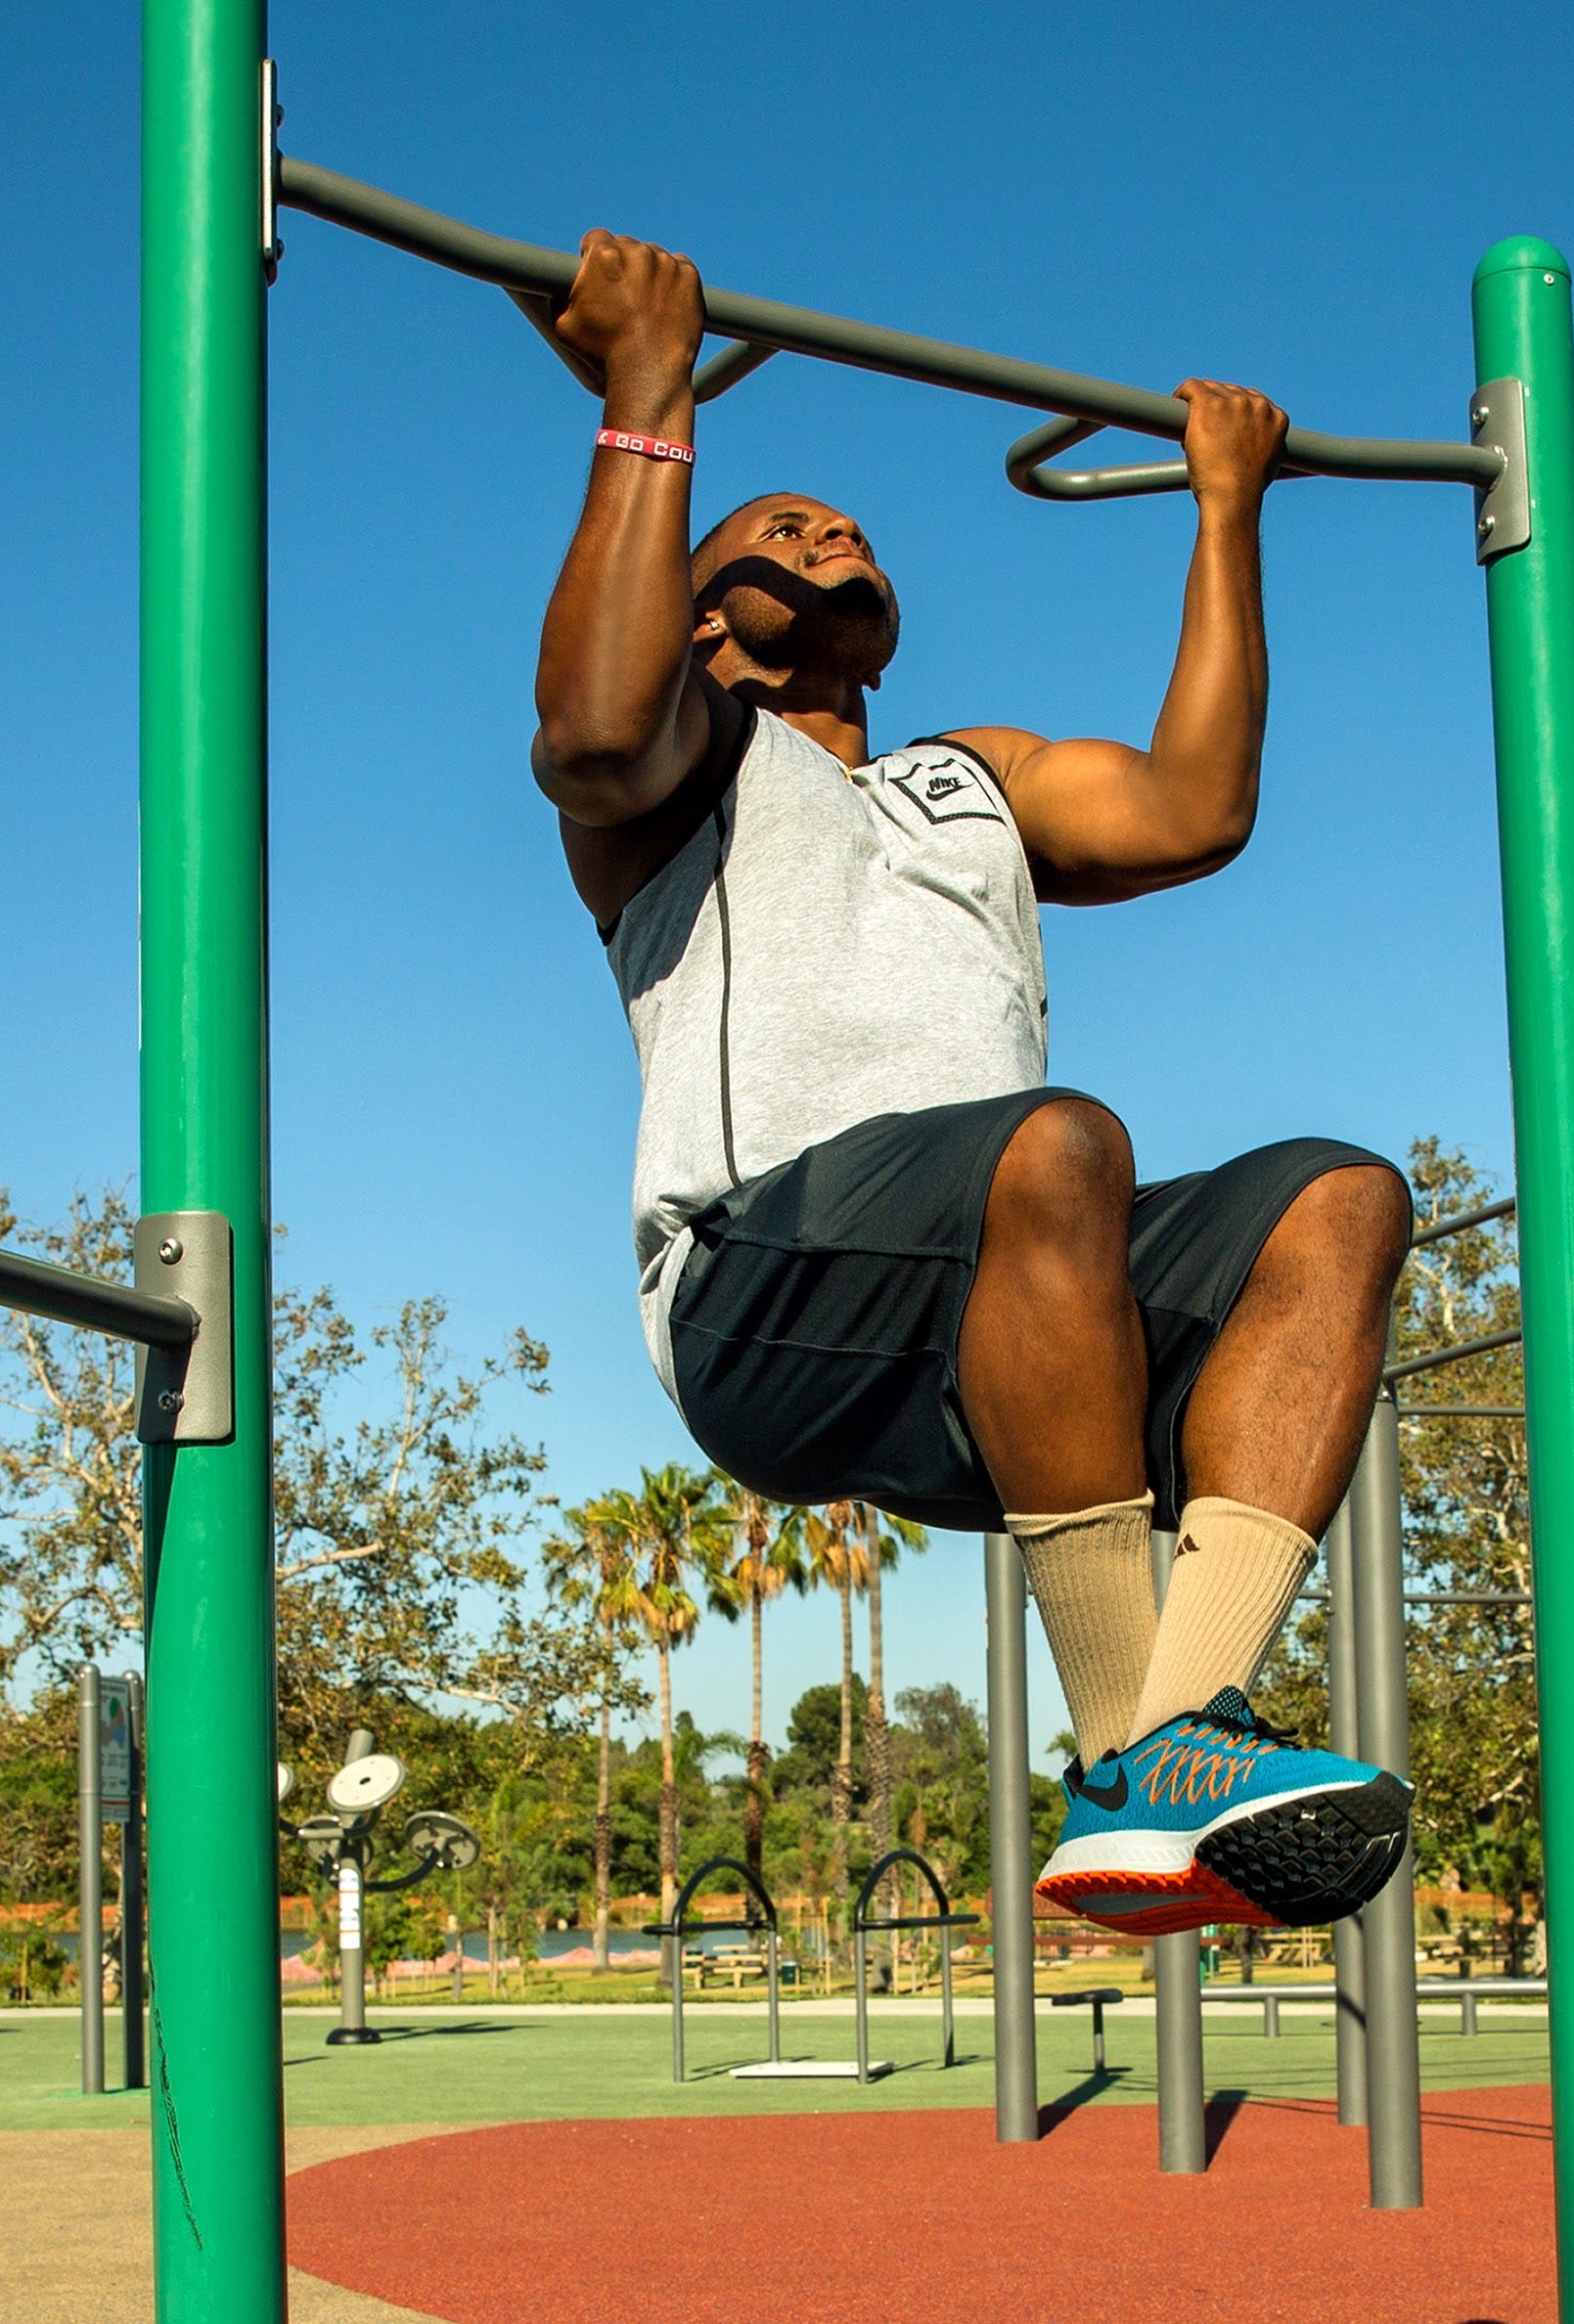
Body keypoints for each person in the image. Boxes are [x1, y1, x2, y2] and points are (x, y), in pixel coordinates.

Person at [524, 226, 1418, 1940]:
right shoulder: (689, 770)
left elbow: (1194, 810)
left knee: (1340, 1198)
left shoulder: (968, 780)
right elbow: (587, 728)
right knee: (1059, 1142)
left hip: (1011, 1318)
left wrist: (1224, 510)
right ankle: (1132, 1747)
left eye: (843, 523)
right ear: (701, 618)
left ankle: (1188, 1732)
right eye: (774, 530)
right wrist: (649, 397)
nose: (825, 528)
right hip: (763, 1288)